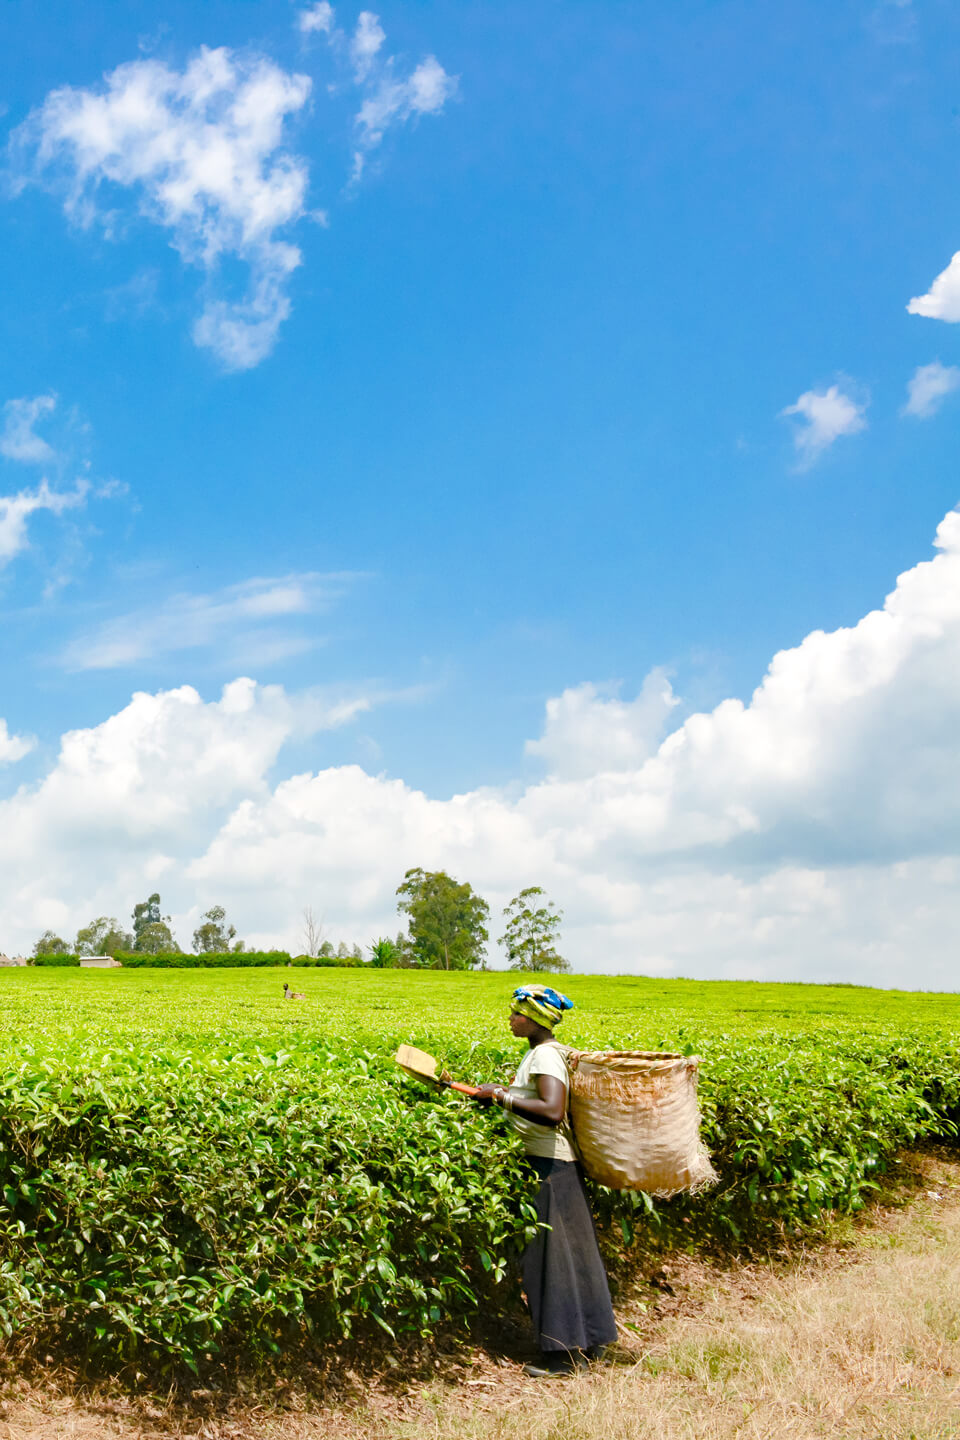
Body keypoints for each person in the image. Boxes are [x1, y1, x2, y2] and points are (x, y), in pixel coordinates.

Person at [470, 983, 618, 1377]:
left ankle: (562, 1356)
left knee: (550, 1260)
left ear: (535, 1019)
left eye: (517, 1013)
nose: (511, 1019)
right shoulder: (546, 1053)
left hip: (547, 1166)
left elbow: (552, 1110)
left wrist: (500, 1097)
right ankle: (593, 1341)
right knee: (576, 1257)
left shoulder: (544, 1055)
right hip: (558, 1166)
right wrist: (499, 1093)